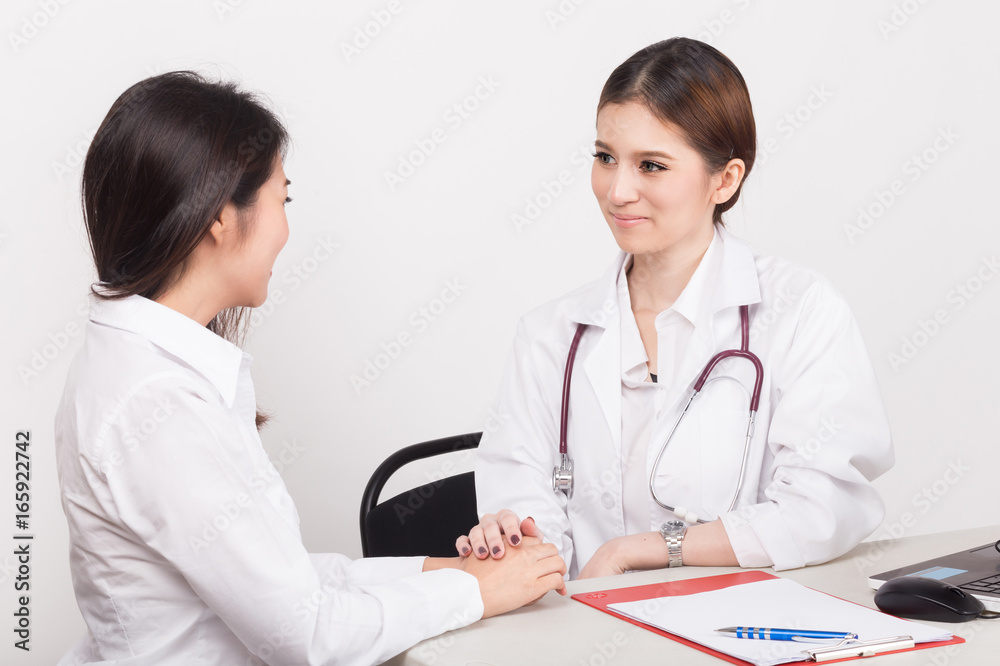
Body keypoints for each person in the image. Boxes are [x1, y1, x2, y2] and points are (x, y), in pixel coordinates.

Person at [54, 71, 566, 666]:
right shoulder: (156, 403)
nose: (287, 229)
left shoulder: (141, 369)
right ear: (221, 215)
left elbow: (285, 584)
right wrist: (475, 590)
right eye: (282, 199)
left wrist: (447, 570)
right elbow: (307, 634)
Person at [457, 37, 894, 579]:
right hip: (582, 634)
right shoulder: (549, 336)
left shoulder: (800, 312)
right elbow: (521, 504)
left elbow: (822, 508)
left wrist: (637, 550)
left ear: (725, 178)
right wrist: (513, 538)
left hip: (741, 628)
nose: (617, 191)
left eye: (652, 165)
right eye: (605, 158)